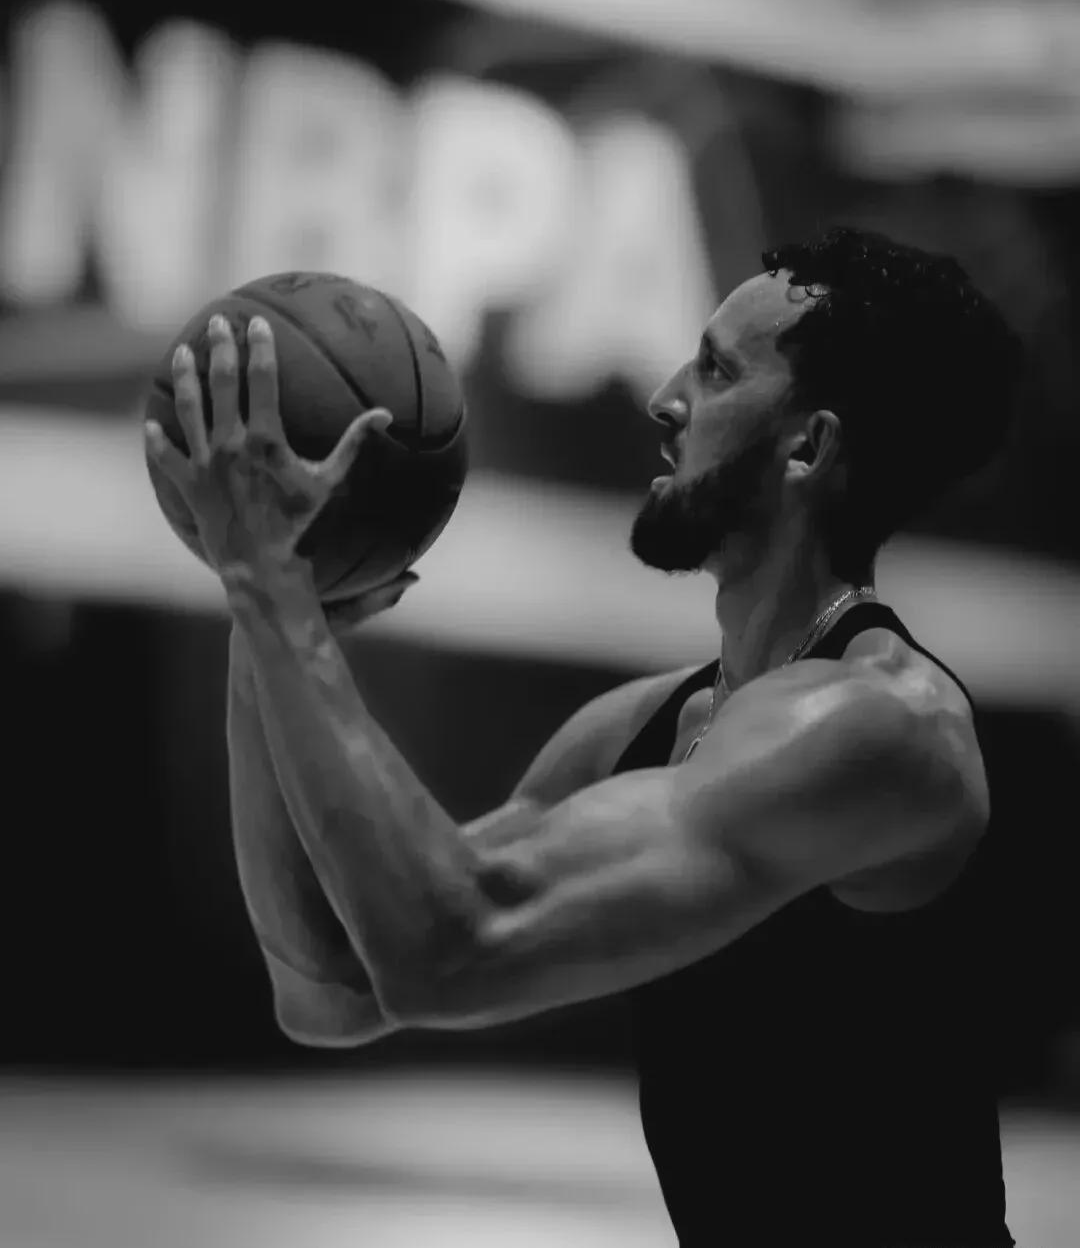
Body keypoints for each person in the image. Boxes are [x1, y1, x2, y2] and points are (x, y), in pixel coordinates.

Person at [148, 225, 1023, 1247]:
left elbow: (451, 948)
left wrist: (273, 587)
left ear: (808, 447)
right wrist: (263, 612)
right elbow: (332, 986)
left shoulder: (886, 729)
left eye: (714, 371)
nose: (664, 399)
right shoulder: (638, 729)